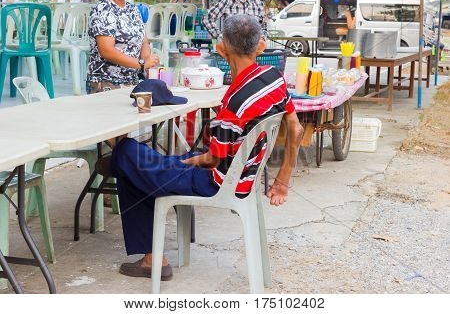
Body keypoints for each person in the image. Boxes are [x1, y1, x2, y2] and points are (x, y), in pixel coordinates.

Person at [98, 15, 303, 280]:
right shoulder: (274, 77)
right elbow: (296, 129)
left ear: (221, 50)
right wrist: (283, 180)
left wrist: (181, 164)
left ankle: (152, 257)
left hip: (217, 182)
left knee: (127, 152)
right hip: (244, 176)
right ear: (260, 47)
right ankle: (149, 250)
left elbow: (212, 160)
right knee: (144, 165)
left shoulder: (234, 103)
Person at [86, 0, 159, 94]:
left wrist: (145, 59)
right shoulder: (103, 9)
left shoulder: (133, 9)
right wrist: (141, 64)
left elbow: (144, 41)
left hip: (133, 80)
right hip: (108, 82)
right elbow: (107, 51)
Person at [202, 0, 273, 40]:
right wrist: (219, 36)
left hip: (253, 53)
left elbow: (263, 25)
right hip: (231, 52)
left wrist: (262, 38)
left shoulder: (258, 3)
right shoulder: (228, 1)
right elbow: (207, 18)